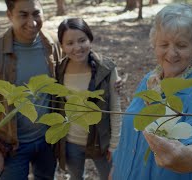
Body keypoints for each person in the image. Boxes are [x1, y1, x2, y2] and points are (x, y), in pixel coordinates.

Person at [111, 3, 192, 180]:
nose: (171, 53)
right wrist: (114, 170)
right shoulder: (149, 81)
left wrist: (186, 158)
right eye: (164, 44)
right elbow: (128, 135)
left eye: (181, 45)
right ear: (154, 44)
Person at [0, 0, 61, 179]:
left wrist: (110, 78)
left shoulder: (53, 43)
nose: (32, 22)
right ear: (9, 15)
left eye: (36, 13)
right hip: (12, 147)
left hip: (48, 140)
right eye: (23, 15)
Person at [55, 18, 122, 180]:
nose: (77, 48)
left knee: (112, 176)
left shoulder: (106, 69)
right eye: (69, 43)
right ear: (62, 46)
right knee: (76, 177)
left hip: (102, 140)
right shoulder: (58, 70)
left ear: (90, 39)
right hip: (71, 142)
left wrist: (115, 145)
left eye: (82, 40)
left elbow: (115, 109)